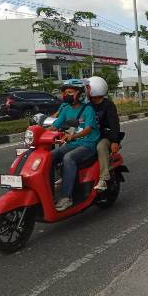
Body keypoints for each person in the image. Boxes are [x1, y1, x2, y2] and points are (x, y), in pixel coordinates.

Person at [50, 79, 100, 211]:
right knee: (49, 156)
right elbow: (55, 126)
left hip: (88, 144)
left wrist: (73, 136)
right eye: (65, 92)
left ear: (80, 94)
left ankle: (67, 197)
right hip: (73, 143)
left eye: (70, 92)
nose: (66, 95)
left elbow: (88, 128)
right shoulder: (66, 109)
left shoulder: (88, 109)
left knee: (69, 158)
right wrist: (36, 133)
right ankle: (50, 191)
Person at [86, 76, 122, 191]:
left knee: (101, 147)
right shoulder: (87, 105)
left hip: (104, 136)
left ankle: (104, 178)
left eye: (88, 87)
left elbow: (114, 124)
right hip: (89, 135)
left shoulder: (108, 106)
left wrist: (115, 141)